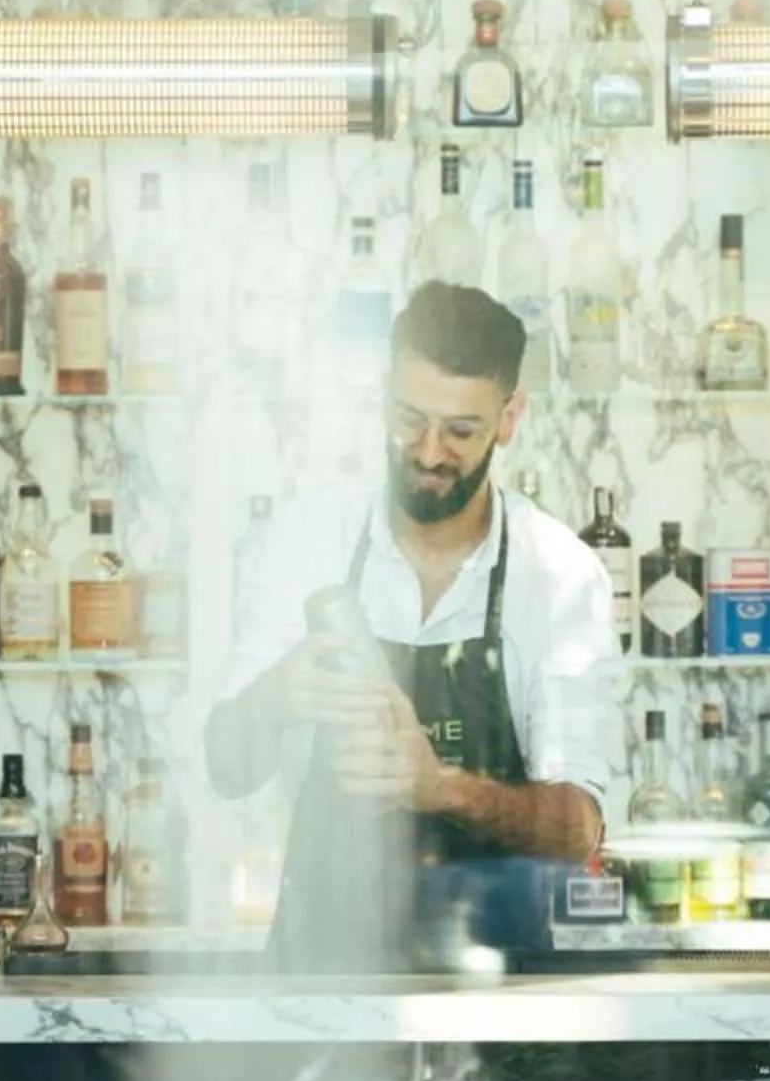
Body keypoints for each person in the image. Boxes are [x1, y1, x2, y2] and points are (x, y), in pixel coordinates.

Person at [207, 281, 621, 963]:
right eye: (409, 418)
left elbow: (581, 829)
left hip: (497, 996)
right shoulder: (307, 538)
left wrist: (442, 788)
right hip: (324, 984)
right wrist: (275, 698)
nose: (429, 452)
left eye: (461, 431)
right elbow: (224, 764)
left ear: (510, 417)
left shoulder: (558, 574)